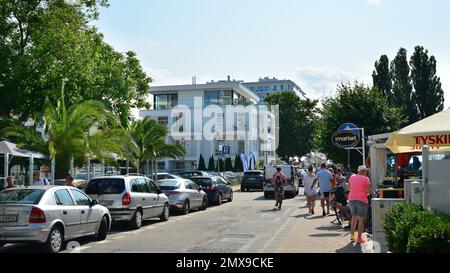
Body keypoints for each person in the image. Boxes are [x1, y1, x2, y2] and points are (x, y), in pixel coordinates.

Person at [348, 165, 372, 244]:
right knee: (361, 219)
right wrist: (368, 192)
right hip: (361, 199)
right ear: (363, 171)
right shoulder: (366, 179)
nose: (366, 172)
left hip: (351, 199)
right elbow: (369, 190)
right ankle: (359, 238)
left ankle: (352, 236)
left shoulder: (352, 177)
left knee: (354, 218)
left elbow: (349, 188)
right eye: (366, 171)